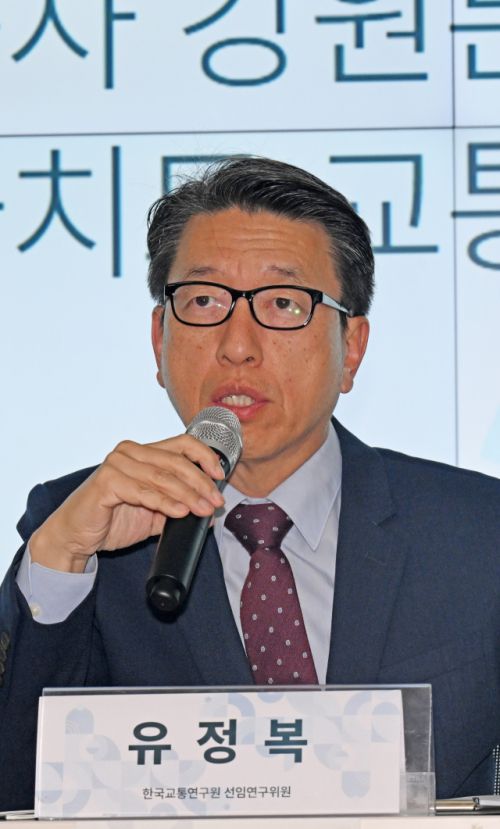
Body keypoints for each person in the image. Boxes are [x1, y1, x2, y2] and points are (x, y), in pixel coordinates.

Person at [1, 156, 499, 811]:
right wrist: (59, 562)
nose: (238, 345)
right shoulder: (83, 529)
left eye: (283, 304)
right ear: (159, 338)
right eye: (204, 301)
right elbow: (17, 787)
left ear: (351, 347)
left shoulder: (480, 535)